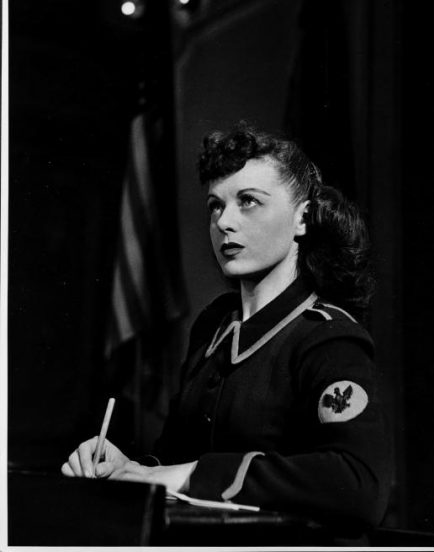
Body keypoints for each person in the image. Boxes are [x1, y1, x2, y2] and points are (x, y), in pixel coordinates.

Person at [62, 125, 391, 532]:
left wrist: (193, 475)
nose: (224, 222)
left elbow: (360, 486)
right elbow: (173, 457)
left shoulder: (327, 337)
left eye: (248, 201)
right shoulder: (213, 327)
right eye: (215, 206)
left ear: (303, 218)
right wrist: (130, 469)